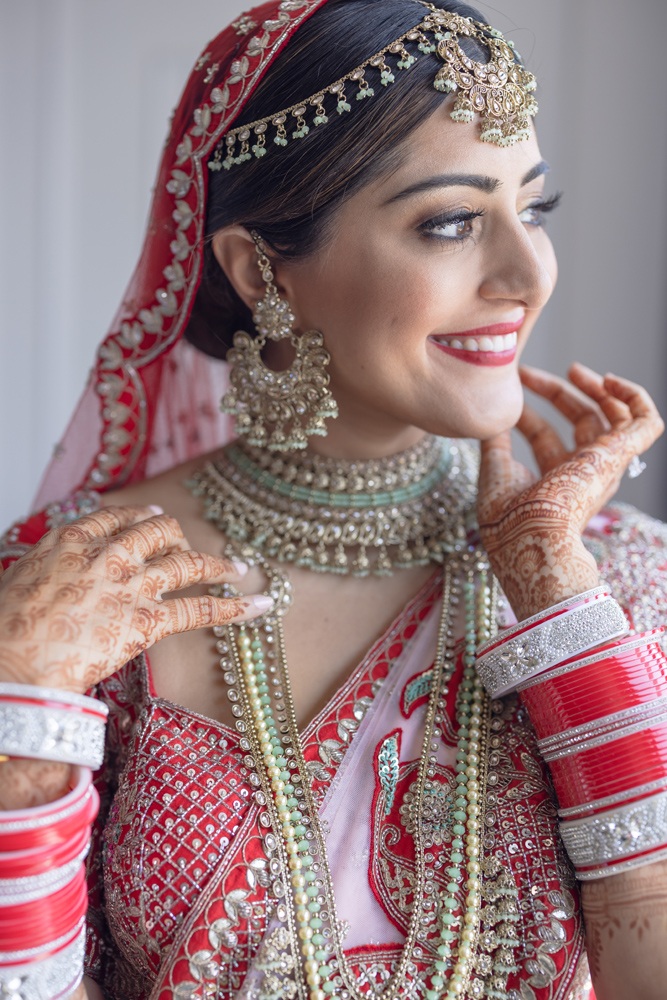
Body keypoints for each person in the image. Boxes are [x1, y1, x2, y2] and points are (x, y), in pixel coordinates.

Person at [1, 1, 666, 998]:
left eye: (533, 208)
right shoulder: (76, 594)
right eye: (448, 222)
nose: (527, 277)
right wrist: (21, 714)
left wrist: (563, 608)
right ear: (258, 267)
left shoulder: (614, 579)